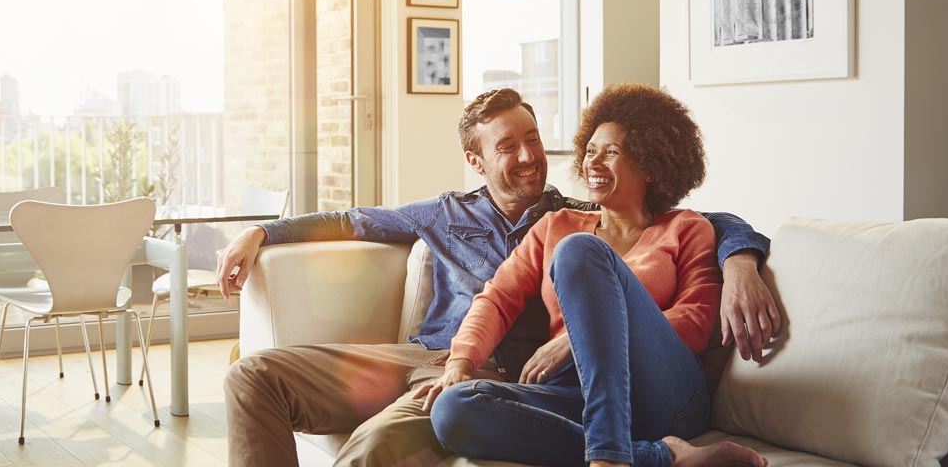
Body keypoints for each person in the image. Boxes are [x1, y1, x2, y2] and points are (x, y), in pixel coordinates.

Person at [220, 87, 778, 466]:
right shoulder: (477, 216)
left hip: (525, 369)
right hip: (436, 356)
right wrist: (263, 233)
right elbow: (490, 293)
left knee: (377, 446)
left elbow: (713, 227)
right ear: (476, 160)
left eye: (533, 139)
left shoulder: (606, 222)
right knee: (250, 377)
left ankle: (613, 453)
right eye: (508, 146)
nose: (530, 156)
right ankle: (659, 457)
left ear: (650, 163)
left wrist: (743, 259)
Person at [418, 84, 767, 466]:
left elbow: (696, 322)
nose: (593, 164)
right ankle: (658, 456)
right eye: (590, 151)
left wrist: (574, 339)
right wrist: (460, 363)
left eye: (611, 152)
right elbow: (497, 298)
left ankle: (608, 459)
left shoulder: (686, 228)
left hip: (663, 396)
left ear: (650, 166)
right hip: (578, 393)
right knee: (454, 409)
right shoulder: (556, 224)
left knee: (578, 252)